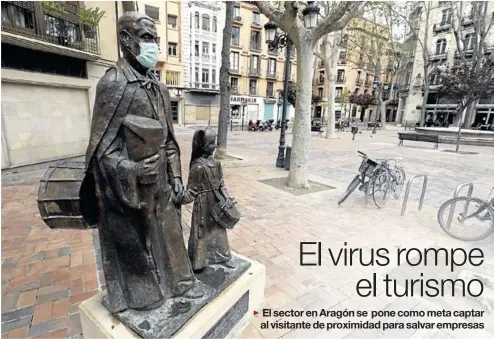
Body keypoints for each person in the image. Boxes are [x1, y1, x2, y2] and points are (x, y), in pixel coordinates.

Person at [81, 11, 203, 314]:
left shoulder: (159, 88)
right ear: (125, 40)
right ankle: (145, 296)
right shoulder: (112, 84)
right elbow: (101, 150)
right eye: (148, 38)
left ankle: (179, 285)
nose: (154, 46)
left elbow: (170, 141)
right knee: (140, 247)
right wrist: (132, 170)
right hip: (130, 191)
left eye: (156, 39)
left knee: (170, 231)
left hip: (161, 181)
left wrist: (175, 177)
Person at [181, 128, 236, 271]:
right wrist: (178, 198)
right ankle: (199, 262)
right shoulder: (197, 167)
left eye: (215, 143)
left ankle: (223, 257)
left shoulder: (216, 163)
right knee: (202, 233)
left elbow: (221, 184)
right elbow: (191, 192)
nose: (215, 146)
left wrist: (227, 197)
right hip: (203, 205)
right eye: (212, 143)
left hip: (217, 203)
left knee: (219, 231)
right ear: (204, 146)